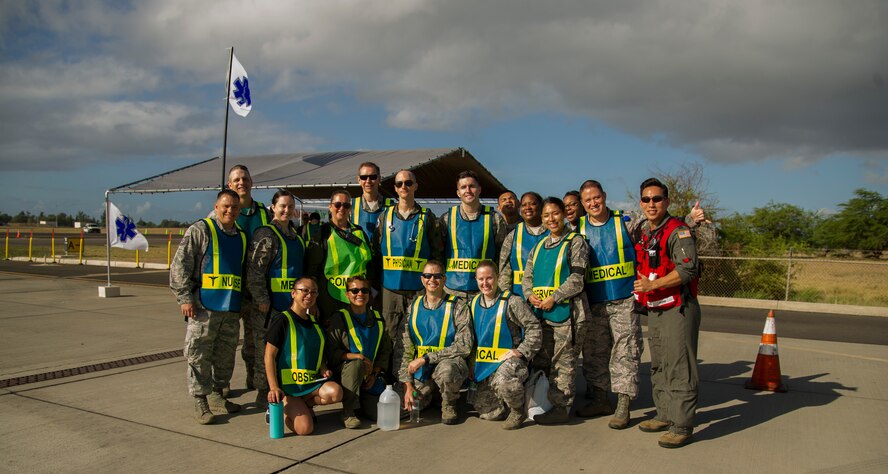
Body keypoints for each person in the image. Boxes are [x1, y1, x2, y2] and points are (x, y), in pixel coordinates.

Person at [576, 180, 706, 429]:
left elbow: (660, 224)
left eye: (596, 198)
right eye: (587, 200)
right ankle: (600, 398)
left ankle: (623, 406)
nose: (593, 203)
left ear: (604, 196)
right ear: (582, 204)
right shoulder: (578, 228)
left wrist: (690, 219)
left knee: (626, 352)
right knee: (594, 354)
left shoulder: (626, 222)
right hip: (595, 302)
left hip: (624, 300)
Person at [632, 178, 701, 448]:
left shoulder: (677, 231)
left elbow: (687, 270)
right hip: (656, 309)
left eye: (657, 199)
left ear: (667, 201)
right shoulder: (643, 230)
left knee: (679, 366)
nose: (652, 204)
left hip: (678, 308)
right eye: (647, 199)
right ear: (641, 203)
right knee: (660, 364)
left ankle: (682, 424)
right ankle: (664, 414)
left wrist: (653, 284)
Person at [171, 189, 246, 424]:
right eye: (225, 206)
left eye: (234, 207)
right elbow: (180, 265)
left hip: (230, 309)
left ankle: (217, 394)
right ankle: (200, 401)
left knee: (224, 356)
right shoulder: (201, 230)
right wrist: (185, 297)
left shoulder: (241, 236)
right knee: (199, 355)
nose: (229, 210)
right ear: (216, 207)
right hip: (204, 308)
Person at [522, 197, 590, 425]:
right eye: (546, 215)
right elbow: (527, 277)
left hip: (567, 315)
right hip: (542, 315)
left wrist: (555, 297)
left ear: (564, 214)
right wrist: (529, 294)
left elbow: (577, 279)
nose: (551, 219)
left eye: (555, 214)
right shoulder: (539, 246)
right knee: (544, 361)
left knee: (564, 363)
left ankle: (562, 407)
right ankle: (545, 402)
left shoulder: (575, 241)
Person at [245, 190, 306, 409]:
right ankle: (264, 393)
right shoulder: (266, 234)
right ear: (273, 207)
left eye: (290, 207)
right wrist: (261, 298)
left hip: (292, 307)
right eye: (282, 206)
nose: (286, 210)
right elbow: (255, 271)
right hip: (268, 307)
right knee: (266, 350)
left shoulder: (296, 236)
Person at [213, 165, 272, 392]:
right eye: (236, 179)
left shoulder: (264, 213)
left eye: (245, 179)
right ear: (229, 184)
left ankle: (255, 380)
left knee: (255, 341)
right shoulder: (220, 214)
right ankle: (221, 384)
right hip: (229, 289)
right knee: (224, 341)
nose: (241, 183)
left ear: (251, 182)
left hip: (256, 290)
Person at [265, 277, 343, 436]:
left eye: (313, 292)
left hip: (310, 385)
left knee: (335, 392)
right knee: (305, 429)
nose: (309, 295)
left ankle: (305, 406)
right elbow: (269, 357)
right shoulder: (282, 320)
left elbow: (317, 351)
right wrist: (274, 388)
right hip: (289, 389)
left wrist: (323, 368)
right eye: (304, 290)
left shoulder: (315, 323)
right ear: (293, 293)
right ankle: (282, 411)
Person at [373, 169, 443, 343]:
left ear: (415, 186)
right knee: (389, 336)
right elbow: (376, 252)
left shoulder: (427, 217)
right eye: (399, 184)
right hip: (390, 290)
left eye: (408, 183)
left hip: (418, 289)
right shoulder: (385, 216)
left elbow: (436, 253)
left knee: (418, 333)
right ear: (395, 189)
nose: (404, 186)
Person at [398, 260, 472, 425]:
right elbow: (403, 350)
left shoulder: (457, 306)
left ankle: (448, 403)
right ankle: (433, 394)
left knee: (447, 370)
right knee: (406, 406)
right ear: (422, 279)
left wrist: (426, 358)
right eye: (428, 275)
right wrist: (407, 385)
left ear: (444, 279)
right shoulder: (413, 308)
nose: (432, 280)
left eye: (437, 276)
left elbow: (464, 346)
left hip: (447, 365)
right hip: (421, 372)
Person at [470, 260, 541, 430]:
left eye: (489, 278)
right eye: (481, 279)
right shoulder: (472, 303)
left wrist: (522, 351)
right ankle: (503, 402)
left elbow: (534, 327)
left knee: (504, 381)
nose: (485, 283)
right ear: (476, 280)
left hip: (509, 363)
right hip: (485, 365)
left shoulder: (512, 301)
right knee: (488, 413)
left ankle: (517, 410)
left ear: (498, 278)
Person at [326, 276, 392, 429]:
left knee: (378, 415)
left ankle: (360, 402)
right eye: (354, 290)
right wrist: (355, 357)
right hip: (345, 373)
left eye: (364, 290)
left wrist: (375, 373)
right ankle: (348, 411)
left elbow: (385, 350)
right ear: (347, 294)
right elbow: (330, 351)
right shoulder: (339, 318)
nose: (360, 294)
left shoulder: (377, 318)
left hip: (370, 376)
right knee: (356, 364)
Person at [304, 190, 376, 325]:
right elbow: (312, 271)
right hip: (330, 299)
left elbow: (369, 266)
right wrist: (312, 302)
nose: (341, 208)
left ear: (350, 208)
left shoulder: (359, 232)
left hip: (356, 298)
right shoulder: (322, 233)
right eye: (337, 205)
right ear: (330, 207)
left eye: (346, 205)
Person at [440, 170, 507, 298]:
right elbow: (438, 253)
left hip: (484, 291)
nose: (468, 190)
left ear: (479, 189)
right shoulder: (446, 219)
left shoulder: (495, 219)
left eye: (472, 186)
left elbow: (502, 257)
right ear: (458, 193)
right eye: (463, 187)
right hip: (452, 291)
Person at [497, 191, 548, 299]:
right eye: (524, 205)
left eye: (532, 204)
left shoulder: (553, 232)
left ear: (541, 206)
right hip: (520, 299)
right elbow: (505, 272)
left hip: (548, 299)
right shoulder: (513, 236)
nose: (528, 207)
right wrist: (506, 298)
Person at [352, 161, 394, 239]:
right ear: (359, 180)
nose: (368, 181)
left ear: (379, 179)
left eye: (373, 177)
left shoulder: (392, 206)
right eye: (364, 177)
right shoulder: (350, 207)